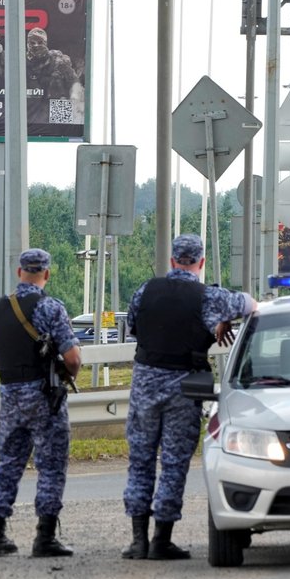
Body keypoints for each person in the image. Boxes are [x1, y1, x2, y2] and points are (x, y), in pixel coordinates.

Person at [121, 233, 258, 560]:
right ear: (201, 262)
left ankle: (137, 540)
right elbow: (251, 304)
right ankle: (161, 540)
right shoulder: (208, 297)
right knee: (174, 462)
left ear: (171, 261)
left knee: (140, 460)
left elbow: (133, 327)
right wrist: (223, 319)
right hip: (183, 385)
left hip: (144, 383)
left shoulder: (145, 289)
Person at [0, 248, 82, 559]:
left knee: (8, 464)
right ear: (47, 274)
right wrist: (68, 372)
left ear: (19, 272)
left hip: (10, 396)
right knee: (51, 465)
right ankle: (45, 537)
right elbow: (73, 358)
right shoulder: (50, 307)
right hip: (43, 396)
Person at [24, 27, 82, 124]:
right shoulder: (21, 61)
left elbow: (74, 82)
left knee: (61, 133)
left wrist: (74, 98)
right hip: (30, 111)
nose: (36, 45)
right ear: (27, 44)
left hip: (55, 107)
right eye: (32, 43)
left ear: (45, 43)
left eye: (39, 42)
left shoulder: (58, 61)